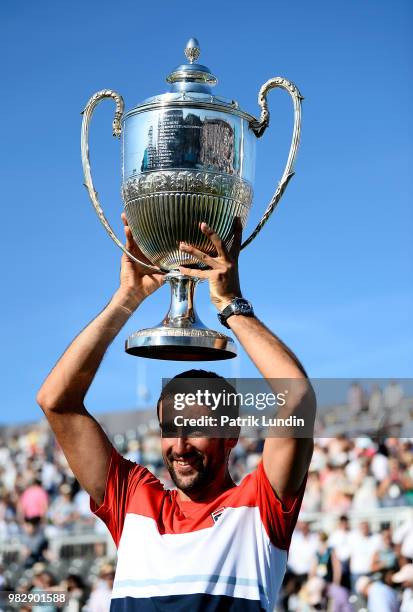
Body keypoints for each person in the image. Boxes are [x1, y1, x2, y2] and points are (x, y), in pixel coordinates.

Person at [37, 217, 315, 611]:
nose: (180, 445)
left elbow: (298, 397)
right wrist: (126, 299)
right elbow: (56, 401)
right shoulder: (133, 499)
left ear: (230, 434)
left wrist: (230, 305)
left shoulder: (260, 506)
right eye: (172, 428)